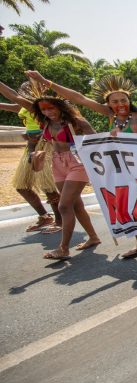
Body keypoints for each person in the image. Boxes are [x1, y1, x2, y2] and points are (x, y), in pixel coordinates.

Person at [24, 71, 137, 259]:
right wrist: (46, 81)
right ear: (108, 105)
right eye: (114, 101)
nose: (119, 104)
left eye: (123, 100)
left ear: (129, 100)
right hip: (120, 169)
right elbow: (78, 98)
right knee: (130, 207)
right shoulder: (110, 115)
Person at [25, 81, 101, 260]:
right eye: (43, 110)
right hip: (57, 163)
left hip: (77, 163)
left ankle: (63, 248)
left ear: (60, 107)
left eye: (51, 108)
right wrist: (35, 153)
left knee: (64, 205)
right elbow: (38, 141)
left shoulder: (76, 122)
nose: (47, 112)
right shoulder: (45, 123)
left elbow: (97, 140)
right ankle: (93, 237)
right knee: (76, 204)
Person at [0, 80, 61, 233]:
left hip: (45, 146)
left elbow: (13, 97)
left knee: (48, 186)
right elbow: (15, 105)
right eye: (22, 90)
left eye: (27, 89)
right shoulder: (24, 106)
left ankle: (60, 221)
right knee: (21, 185)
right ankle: (45, 216)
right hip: (31, 146)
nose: (23, 92)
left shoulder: (40, 108)